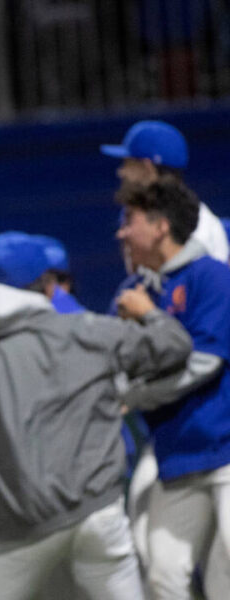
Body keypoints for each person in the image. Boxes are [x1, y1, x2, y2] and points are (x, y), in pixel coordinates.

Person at [0, 269, 192, 599]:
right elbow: (174, 345)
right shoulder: (86, 329)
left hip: (26, 528)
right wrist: (148, 312)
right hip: (99, 509)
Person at [112, 178, 230, 599]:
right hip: (175, 457)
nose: (121, 231)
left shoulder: (212, 276)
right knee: (162, 575)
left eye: (130, 220)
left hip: (226, 452)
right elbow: (118, 371)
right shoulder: (132, 294)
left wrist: (138, 395)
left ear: (160, 226)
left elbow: (206, 362)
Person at [100, 119, 229, 262]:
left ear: (147, 168)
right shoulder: (136, 216)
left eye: (127, 164)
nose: (121, 172)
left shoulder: (200, 229)